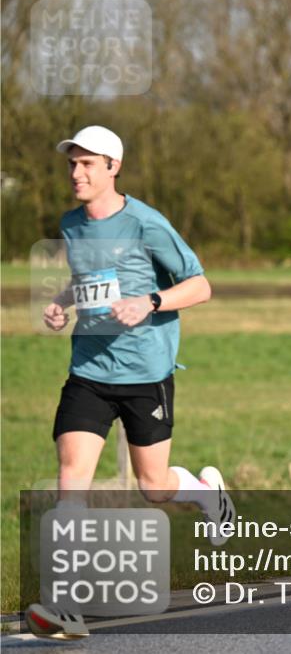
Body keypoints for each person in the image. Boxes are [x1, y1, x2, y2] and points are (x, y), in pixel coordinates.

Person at [25, 126, 235, 640]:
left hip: (146, 374)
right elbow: (85, 276)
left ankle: (209, 495)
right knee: (72, 477)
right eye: (72, 164)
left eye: (88, 164)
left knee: (154, 488)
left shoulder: (146, 223)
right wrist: (61, 304)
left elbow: (201, 284)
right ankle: (66, 607)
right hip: (89, 373)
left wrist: (152, 302)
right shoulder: (71, 224)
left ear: (113, 167)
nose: (76, 173)